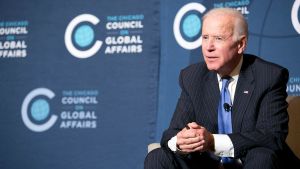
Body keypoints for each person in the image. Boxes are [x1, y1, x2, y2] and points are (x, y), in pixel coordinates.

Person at [144, 7, 299, 169]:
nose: (209, 47)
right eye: (205, 37)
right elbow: (170, 134)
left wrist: (213, 141)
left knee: (262, 155)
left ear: (241, 44)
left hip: (252, 161)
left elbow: (271, 137)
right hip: (208, 164)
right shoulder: (192, 76)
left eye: (218, 38)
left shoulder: (268, 76)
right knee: (158, 156)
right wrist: (182, 140)